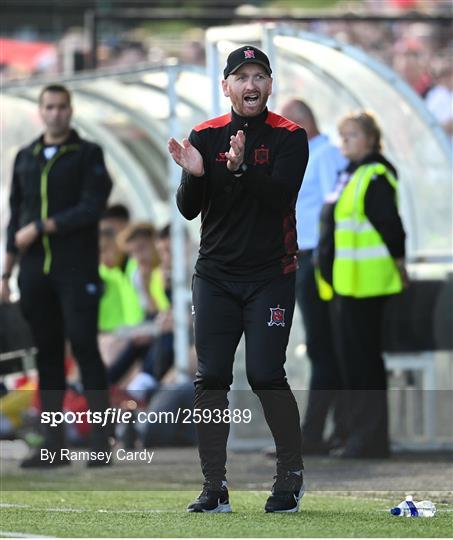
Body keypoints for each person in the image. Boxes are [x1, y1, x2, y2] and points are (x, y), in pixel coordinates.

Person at [168, 45, 308, 513]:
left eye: (259, 76)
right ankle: (214, 487)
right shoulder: (205, 135)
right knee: (210, 378)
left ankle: (289, 477)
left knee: (266, 374)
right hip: (216, 276)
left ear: (271, 85)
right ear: (225, 86)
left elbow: (280, 196)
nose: (251, 85)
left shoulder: (290, 136)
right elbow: (189, 208)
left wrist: (241, 167)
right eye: (241, 76)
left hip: (271, 273)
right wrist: (193, 176)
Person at [1, 84, 113, 467]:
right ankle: (53, 447)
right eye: (49, 107)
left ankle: (102, 442)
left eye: (62, 107)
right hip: (34, 272)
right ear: (40, 111)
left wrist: (44, 226)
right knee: (47, 355)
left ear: (70, 110)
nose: (56, 113)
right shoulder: (26, 157)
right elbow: (15, 216)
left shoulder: (88, 154)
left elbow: (92, 207)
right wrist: (7, 271)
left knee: (84, 347)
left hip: (76, 268)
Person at [318, 110, 408, 459]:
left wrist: (400, 267)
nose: (346, 142)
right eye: (343, 136)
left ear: (371, 139)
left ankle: (369, 438)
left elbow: (391, 226)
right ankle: (352, 432)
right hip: (345, 285)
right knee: (349, 363)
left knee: (364, 363)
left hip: (367, 287)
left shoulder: (375, 174)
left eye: (353, 135)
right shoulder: (349, 174)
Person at [280, 99, 348, 454]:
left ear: (303, 122)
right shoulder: (309, 155)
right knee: (321, 345)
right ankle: (323, 430)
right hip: (301, 255)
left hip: (316, 257)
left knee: (324, 346)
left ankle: (316, 432)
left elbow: (330, 207)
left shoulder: (325, 156)